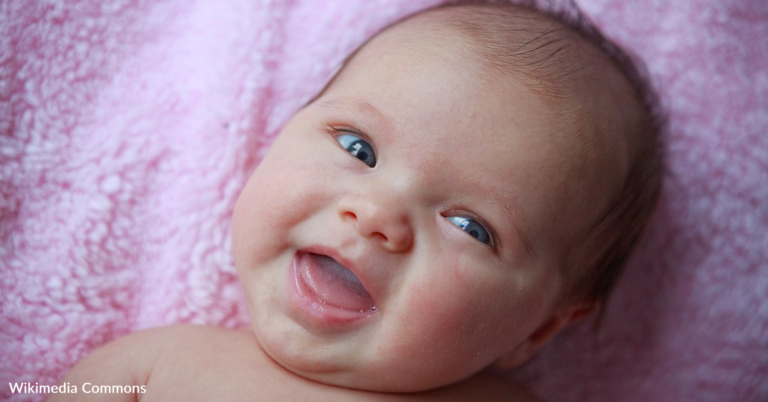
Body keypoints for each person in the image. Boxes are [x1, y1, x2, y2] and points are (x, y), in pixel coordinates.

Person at [47, 1, 663, 400]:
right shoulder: (149, 369)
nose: (376, 217)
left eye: (471, 226)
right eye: (359, 148)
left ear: (541, 327)